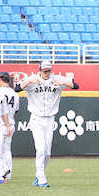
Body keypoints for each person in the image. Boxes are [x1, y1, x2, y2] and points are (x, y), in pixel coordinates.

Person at [22, 60, 78, 188]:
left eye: (49, 70)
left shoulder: (57, 79)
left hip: (50, 119)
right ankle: (42, 180)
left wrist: (65, 82)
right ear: (40, 70)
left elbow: (76, 86)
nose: (47, 73)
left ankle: (38, 175)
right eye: (45, 70)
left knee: (47, 153)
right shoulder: (33, 79)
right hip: (36, 118)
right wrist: (29, 81)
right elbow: (17, 88)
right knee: (40, 149)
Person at [0, 72, 21, 183]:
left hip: (0, 124)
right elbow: (16, 110)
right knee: (7, 150)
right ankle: (8, 173)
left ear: (1, 80)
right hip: (11, 123)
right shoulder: (15, 93)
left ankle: (3, 170)